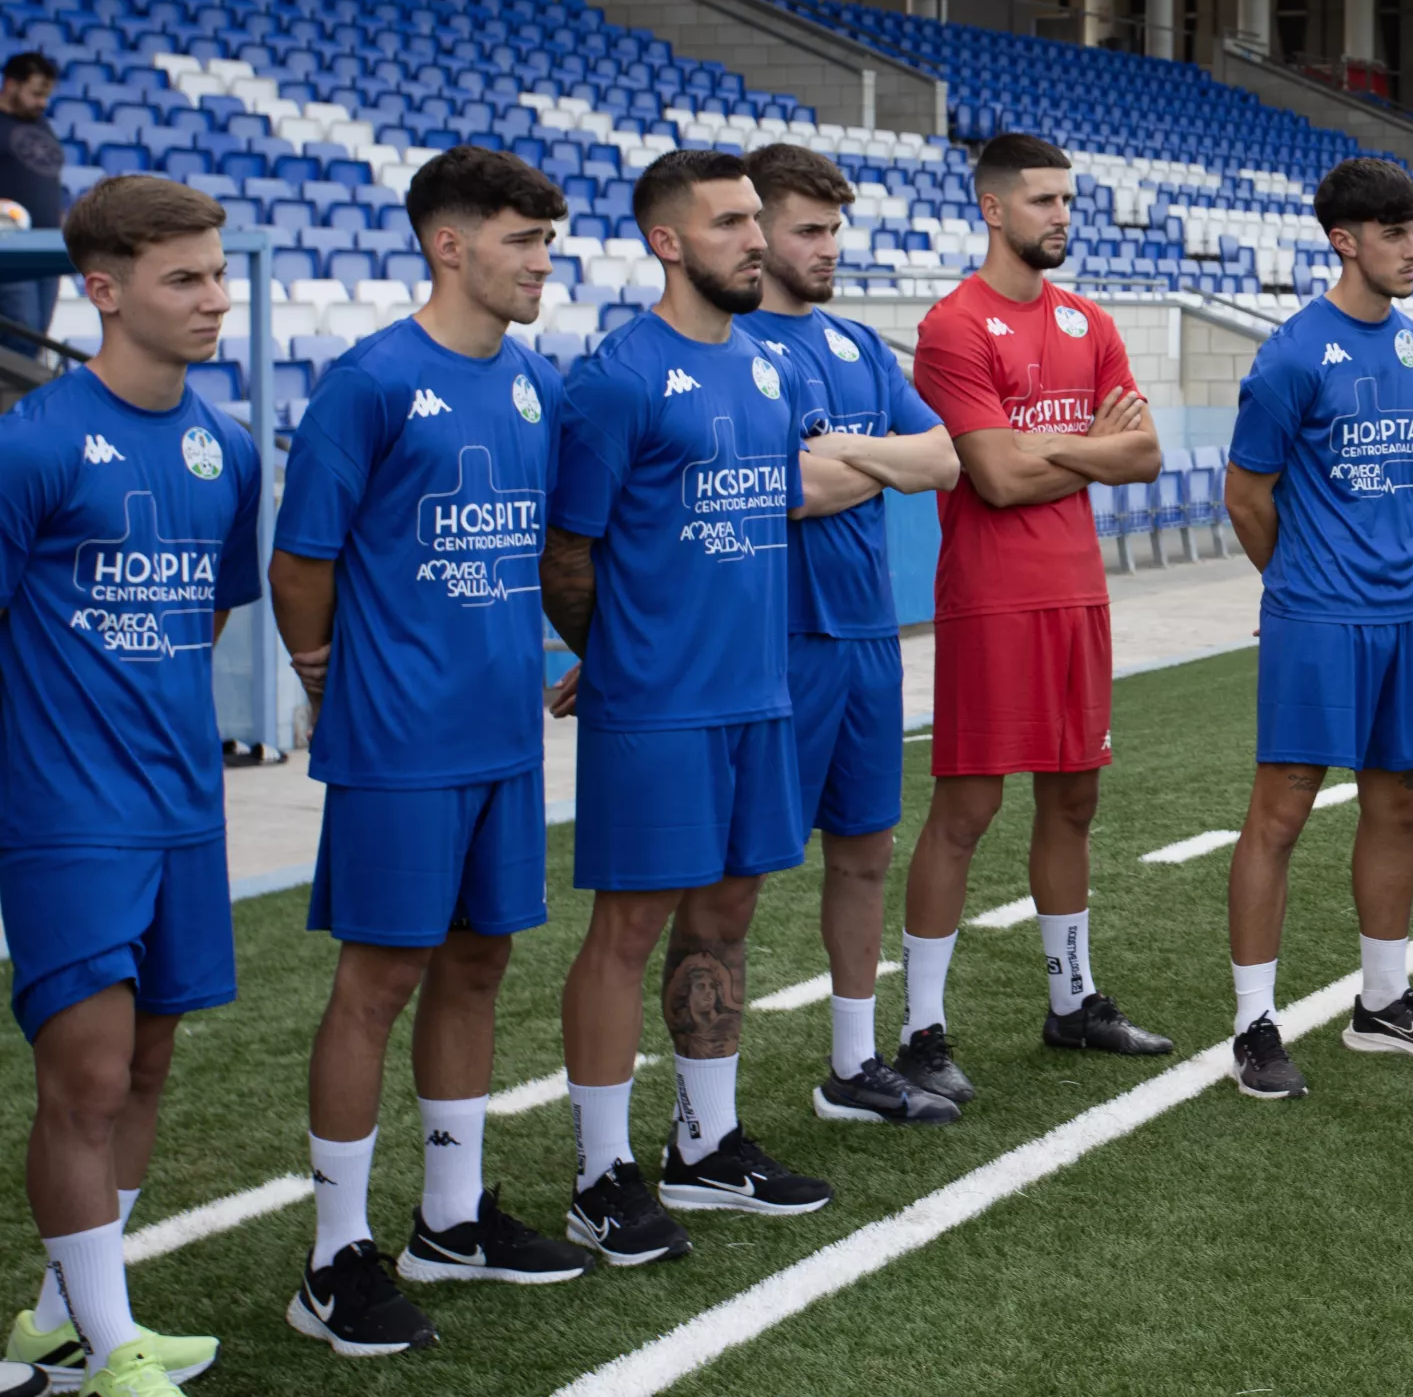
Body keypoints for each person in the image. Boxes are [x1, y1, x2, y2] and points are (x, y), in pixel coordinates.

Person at [271, 148, 594, 1356]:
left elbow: (557, 542)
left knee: (477, 965)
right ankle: (333, 1255)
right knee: (378, 981)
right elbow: (300, 563)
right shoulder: (371, 381)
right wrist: (322, 679)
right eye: (523, 242)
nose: (542, 263)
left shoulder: (531, 383)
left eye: (549, 243)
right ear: (449, 244)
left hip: (501, 735)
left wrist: (589, 646)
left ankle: (449, 1217)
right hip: (398, 737)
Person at [541, 150, 840, 1266]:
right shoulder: (617, 377)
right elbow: (566, 551)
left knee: (726, 918)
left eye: (757, 219)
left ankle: (704, 1143)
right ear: (668, 241)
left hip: (757, 697)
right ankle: (598, 1173)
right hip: (659, 707)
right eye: (728, 223)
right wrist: (616, 653)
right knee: (625, 931)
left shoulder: (768, 367)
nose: (754, 239)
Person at [0, 176, 252, 1395]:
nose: (215, 299)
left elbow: (199, 621)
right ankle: (112, 1347)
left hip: (182, 806)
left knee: (149, 1064)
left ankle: (59, 1319)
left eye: (217, 273)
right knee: (88, 1073)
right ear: (102, 291)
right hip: (65, 810)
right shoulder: (30, 443)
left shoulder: (229, 446)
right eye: (183, 278)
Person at [896, 132, 1173, 1108]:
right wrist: (1080, 443)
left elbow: (1144, 454)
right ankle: (920, 1029)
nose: (1061, 216)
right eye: (1044, 200)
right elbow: (998, 478)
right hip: (991, 596)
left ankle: (1071, 999)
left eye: (1068, 200)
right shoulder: (954, 326)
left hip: (1079, 593)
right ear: (993, 208)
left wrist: (1045, 444)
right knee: (966, 808)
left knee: (1074, 801)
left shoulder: (1088, 320)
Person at [729, 144, 965, 1126]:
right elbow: (792, 488)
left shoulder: (860, 346)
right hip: (771, 640)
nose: (828, 247)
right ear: (758, 232)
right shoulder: (732, 350)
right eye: (808, 229)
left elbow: (945, 458)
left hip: (869, 636)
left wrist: (848, 453)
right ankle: (706, 1109)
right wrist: (876, 463)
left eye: (834, 229)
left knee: (864, 850)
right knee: (732, 880)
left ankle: (854, 1061)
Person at [1222, 157, 1413, 1100]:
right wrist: (1297, 591)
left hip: (1405, 612)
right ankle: (1253, 1024)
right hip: (1317, 618)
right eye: (1395, 235)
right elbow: (1247, 497)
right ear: (1345, 240)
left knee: (1400, 800)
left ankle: (1383, 1002)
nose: (1411, 252)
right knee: (1280, 813)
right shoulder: (1291, 355)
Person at [0, 53, 66, 357]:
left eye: (47, 95)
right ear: (11, 85)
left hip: (48, 245)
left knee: (38, 335)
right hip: (10, 246)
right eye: (36, 93)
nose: (42, 103)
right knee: (21, 331)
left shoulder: (42, 125)